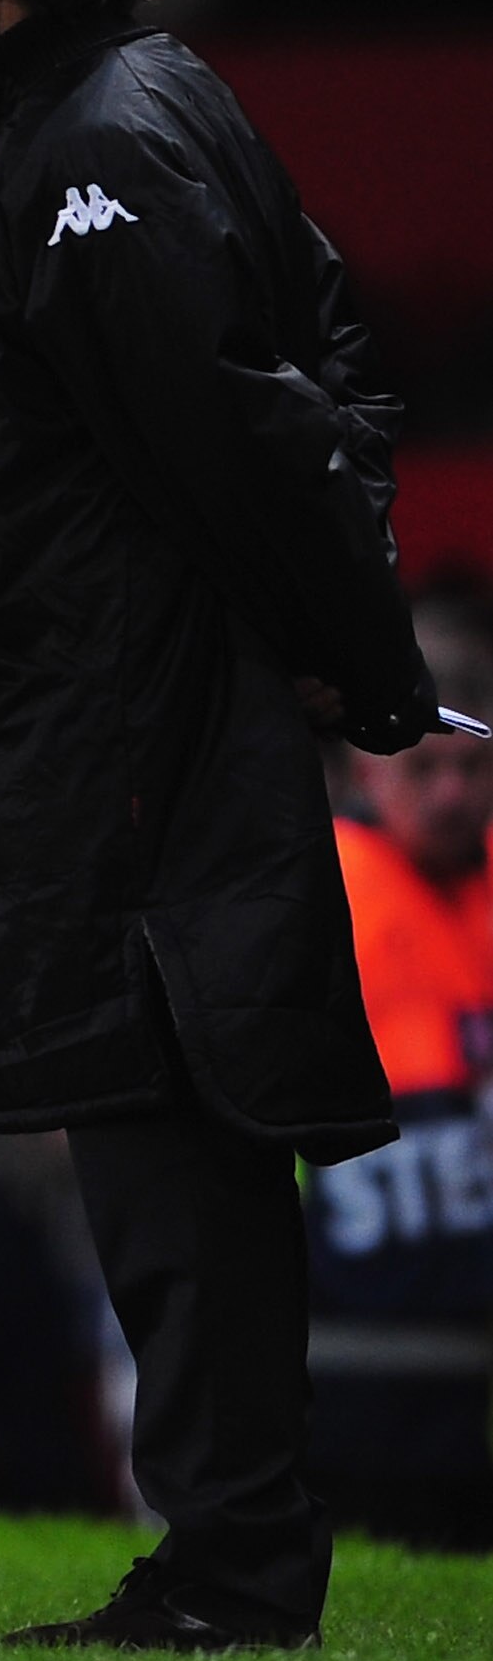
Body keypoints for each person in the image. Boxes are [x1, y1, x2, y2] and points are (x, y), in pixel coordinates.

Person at [0, 0, 441, 1651]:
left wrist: (349, 653)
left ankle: (230, 1560)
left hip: (133, 755)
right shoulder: (147, 100)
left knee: (169, 1153)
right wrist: (329, 628)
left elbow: (247, 429)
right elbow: (326, 364)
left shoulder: (86, 154)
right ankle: (230, 1545)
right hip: (147, 728)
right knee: (177, 1151)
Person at [308, 610, 493, 1549]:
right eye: (426, 768)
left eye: (472, 766)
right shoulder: (318, 887)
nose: (454, 792)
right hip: (350, 1369)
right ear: (364, 766)